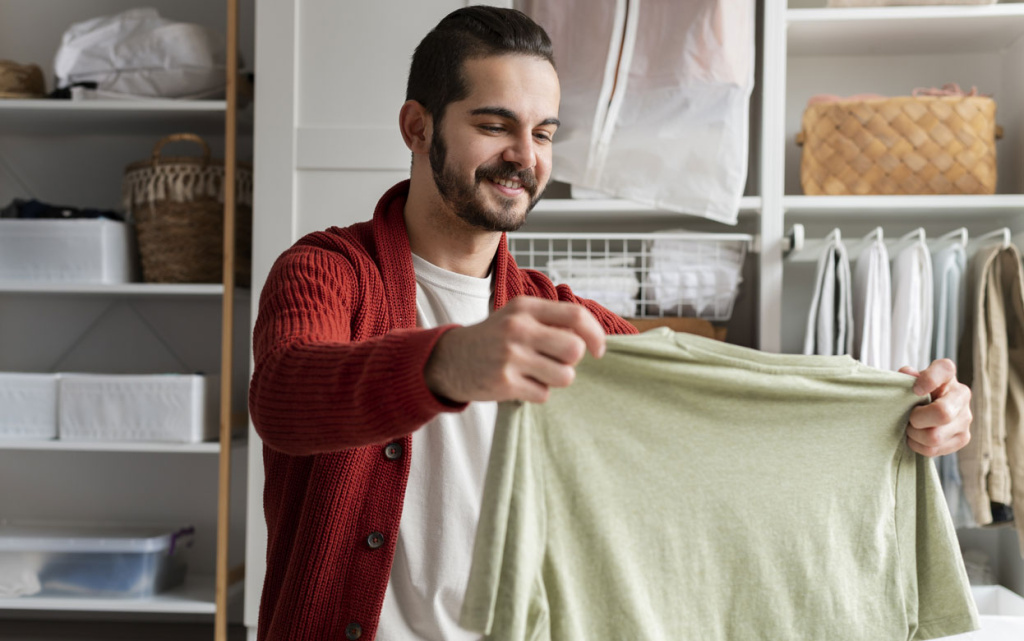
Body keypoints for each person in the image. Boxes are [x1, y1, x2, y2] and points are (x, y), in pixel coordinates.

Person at [248, 7, 973, 641]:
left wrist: (898, 407)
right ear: (417, 126)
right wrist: (447, 363)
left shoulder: (567, 316)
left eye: (543, 132)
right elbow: (285, 396)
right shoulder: (325, 271)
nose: (524, 157)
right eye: (494, 124)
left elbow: (723, 406)